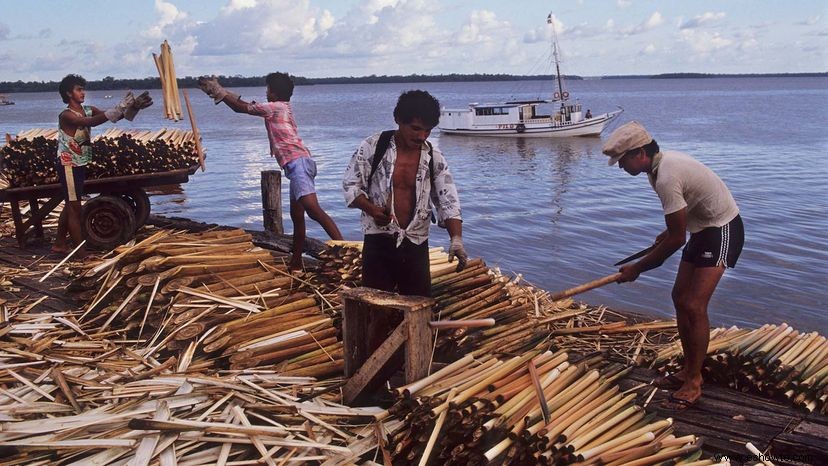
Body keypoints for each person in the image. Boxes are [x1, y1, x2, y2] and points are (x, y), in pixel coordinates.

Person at [603, 121, 744, 410]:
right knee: (679, 298)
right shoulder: (655, 171)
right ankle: (689, 369)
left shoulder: (666, 175)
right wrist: (668, 233)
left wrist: (637, 269)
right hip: (702, 229)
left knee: (694, 305)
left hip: (722, 229)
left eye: (622, 161)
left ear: (640, 152)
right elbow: (683, 216)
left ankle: (694, 380)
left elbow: (677, 240)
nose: (620, 168)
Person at [198, 73, 343, 269]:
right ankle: (296, 262)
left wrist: (218, 91)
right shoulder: (279, 107)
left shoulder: (276, 108)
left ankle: (346, 250)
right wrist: (223, 93)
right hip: (296, 166)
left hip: (298, 163)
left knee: (314, 210)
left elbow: (241, 108)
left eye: (267, 90)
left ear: (273, 93)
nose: (266, 93)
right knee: (297, 218)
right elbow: (244, 103)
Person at [343, 90, 468, 298]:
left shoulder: (433, 157)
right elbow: (351, 186)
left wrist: (456, 239)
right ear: (398, 119)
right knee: (375, 307)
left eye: (427, 131)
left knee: (418, 305)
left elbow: (448, 200)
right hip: (378, 240)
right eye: (416, 129)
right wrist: (372, 210)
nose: (421, 136)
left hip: (415, 242)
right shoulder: (373, 147)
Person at [53, 74, 152, 257]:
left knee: (71, 204)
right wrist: (119, 107)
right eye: (78, 89)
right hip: (68, 164)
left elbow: (111, 117)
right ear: (68, 93)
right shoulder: (67, 115)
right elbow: (89, 123)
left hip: (79, 162)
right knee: (74, 207)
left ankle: (60, 243)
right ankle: (80, 252)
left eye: (83, 89)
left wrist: (133, 107)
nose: (83, 92)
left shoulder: (88, 109)